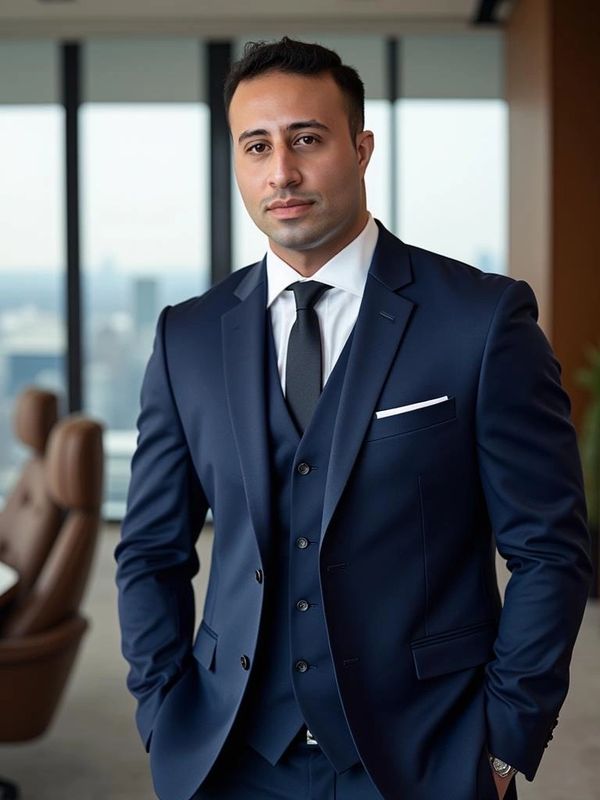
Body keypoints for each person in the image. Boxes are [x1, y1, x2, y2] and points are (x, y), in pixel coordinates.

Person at [115, 37, 592, 800]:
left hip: (425, 755)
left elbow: (549, 552)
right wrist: (162, 710)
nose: (283, 172)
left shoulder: (480, 321)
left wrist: (504, 743)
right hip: (231, 755)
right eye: (257, 146)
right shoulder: (188, 337)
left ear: (361, 148)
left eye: (308, 139)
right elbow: (149, 551)